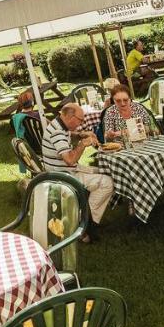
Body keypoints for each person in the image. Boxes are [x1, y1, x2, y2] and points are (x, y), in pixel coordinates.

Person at [40, 100, 114, 242]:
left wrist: (81, 134)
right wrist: (82, 145)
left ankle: (88, 220)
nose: (81, 123)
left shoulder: (59, 124)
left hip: (64, 170)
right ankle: (85, 223)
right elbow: (70, 160)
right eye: (80, 120)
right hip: (64, 176)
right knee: (108, 182)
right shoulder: (57, 132)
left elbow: (70, 133)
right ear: (69, 117)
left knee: (104, 170)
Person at [100, 85, 164, 213]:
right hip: (122, 147)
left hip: (144, 143)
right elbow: (107, 136)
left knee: (157, 161)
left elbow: (152, 128)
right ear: (113, 100)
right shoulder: (110, 112)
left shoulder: (138, 108)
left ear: (130, 98)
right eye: (118, 101)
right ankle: (132, 200)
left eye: (125, 100)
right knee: (129, 166)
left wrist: (136, 130)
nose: (122, 103)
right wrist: (110, 135)